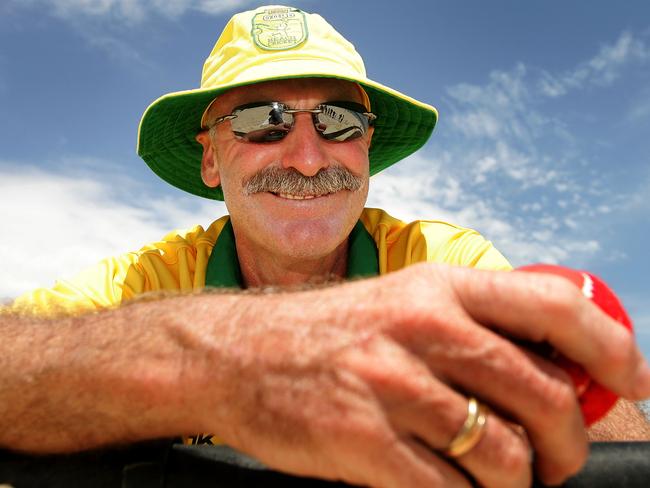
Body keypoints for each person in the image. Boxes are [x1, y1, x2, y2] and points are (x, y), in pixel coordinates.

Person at [2, 5, 649, 488]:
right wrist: (231, 358)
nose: (309, 160)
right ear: (209, 159)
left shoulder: (444, 264)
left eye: (338, 121)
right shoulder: (142, 285)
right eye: (261, 120)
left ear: (366, 146)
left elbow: (619, 445)